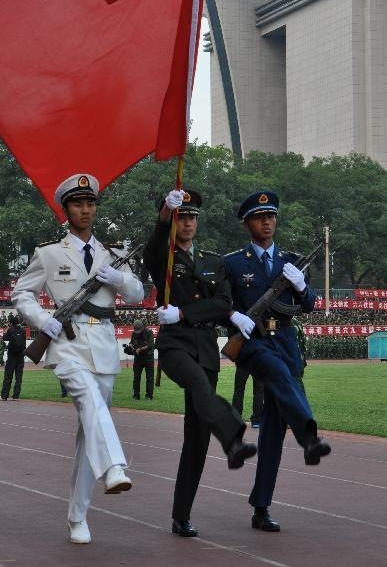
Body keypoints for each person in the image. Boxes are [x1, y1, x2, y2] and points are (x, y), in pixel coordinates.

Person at [12, 173, 144, 545]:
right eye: (77, 204)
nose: (85, 210)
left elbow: (137, 294)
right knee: (88, 399)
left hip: (103, 347)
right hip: (66, 345)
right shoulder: (49, 253)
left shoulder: (113, 255)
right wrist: (43, 320)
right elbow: (21, 293)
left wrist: (119, 280)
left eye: (90, 203)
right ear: (66, 210)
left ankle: (77, 516)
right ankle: (114, 466)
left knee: (90, 430)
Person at [143, 188, 256, 539]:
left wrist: (183, 313)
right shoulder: (163, 257)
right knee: (197, 383)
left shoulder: (212, 261)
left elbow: (223, 304)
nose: (188, 223)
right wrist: (165, 212)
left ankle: (181, 516)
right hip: (175, 346)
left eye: (192, 218)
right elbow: (153, 245)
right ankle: (233, 437)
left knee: (197, 436)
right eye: (182, 217)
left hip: (205, 347)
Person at [224, 190, 331, 533]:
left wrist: (301, 287)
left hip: (285, 340)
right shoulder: (233, 263)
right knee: (279, 375)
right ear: (247, 224)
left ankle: (261, 507)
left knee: (273, 430)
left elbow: (309, 305)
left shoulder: (292, 261)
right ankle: (309, 437)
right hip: (253, 342)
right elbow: (221, 304)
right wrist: (234, 317)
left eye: (271, 216)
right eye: (259, 218)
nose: (267, 222)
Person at [0, 314, 26, 401]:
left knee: (8, 376)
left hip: (12, 356)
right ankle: (16, 396)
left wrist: (6, 330)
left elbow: (4, 338)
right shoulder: (23, 330)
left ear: (11, 323)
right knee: (18, 377)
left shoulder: (10, 330)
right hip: (20, 356)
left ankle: (4, 396)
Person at [126, 319, 155, 400]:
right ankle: (136, 395)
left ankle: (149, 396)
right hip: (138, 358)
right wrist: (131, 345)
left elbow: (150, 345)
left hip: (148, 357)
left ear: (143, 327)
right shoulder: (134, 333)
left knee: (149, 378)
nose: (137, 332)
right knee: (136, 377)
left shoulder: (149, 332)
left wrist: (140, 349)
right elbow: (131, 342)